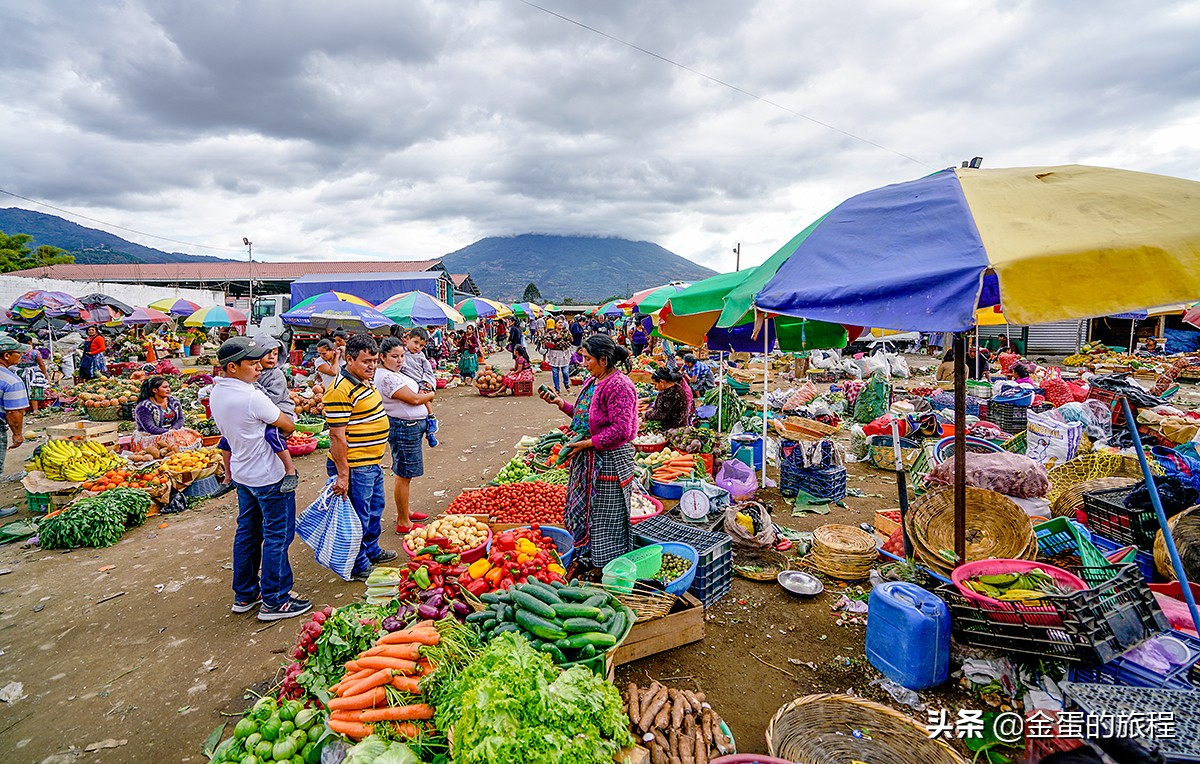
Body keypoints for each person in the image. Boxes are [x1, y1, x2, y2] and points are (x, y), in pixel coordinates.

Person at [208, 336, 309, 620]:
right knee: (278, 535)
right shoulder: (251, 396)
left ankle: (245, 595)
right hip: (269, 476)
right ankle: (276, 600)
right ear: (232, 368)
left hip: (243, 474)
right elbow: (287, 423)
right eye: (251, 364)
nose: (258, 368)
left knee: (248, 533)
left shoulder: (218, 393)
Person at [538, 334, 637, 571]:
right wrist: (560, 403)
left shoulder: (619, 385)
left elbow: (621, 430)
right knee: (588, 513)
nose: (584, 363)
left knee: (605, 517)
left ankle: (608, 565)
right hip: (590, 459)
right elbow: (585, 418)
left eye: (588, 359)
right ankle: (588, 557)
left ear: (604, 360)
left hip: (609, 461)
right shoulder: (594, 381)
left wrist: (587, 444)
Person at [324, 334, 396, 582]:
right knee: (357, 516)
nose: (372, 366)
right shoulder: (338, 390)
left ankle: (372, 550)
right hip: (355, 465)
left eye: (375, 361)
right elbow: (336, 436)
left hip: (372, 462)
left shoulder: (366, 381)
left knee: (375, 509)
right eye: (366, 361)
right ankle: (357, 562)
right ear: (349, 358)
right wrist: (343, 474)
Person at [375, 337, 436, 533]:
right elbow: (415, 398)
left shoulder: (396, 373)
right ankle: (403, 521)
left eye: (402, 356)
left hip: (410, 425)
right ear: (382, 357)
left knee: (406, 473)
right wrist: (429, 395)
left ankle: (406, 511)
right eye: (394, 356)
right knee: (403, 474)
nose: (400, 360)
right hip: (403, 427)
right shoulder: (386, 377)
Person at [251, 335, 299, 492]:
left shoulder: (276, 374)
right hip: (265, 412)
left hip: (281, 411)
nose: (272, 356)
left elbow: (272, 399)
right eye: (267, 352)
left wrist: (254, 385)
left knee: (272, 434)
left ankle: (290, 470)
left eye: (275, 353)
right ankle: (228, 477)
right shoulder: (257, 372)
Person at [400, 328, 439, 448]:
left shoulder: (421, 356)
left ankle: (431, 419)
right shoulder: (401, 354)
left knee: (425, 394)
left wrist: (429, 383)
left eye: (421, 345)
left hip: (420, 382)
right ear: (407, 339)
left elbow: (428, 371)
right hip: (406, 383)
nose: (417, 347)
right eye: (415, 342)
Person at [0, 336, 31, 477]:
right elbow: (14, 412)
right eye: (18, 352)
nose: (21, 355)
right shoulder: (11, 381)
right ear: (7, 355)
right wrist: (17, 434)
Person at [132, 376, 186, 450]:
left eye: (168, 387)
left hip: (172, 432)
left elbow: (180, 418)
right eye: (165, 387)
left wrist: (174, 429)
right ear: (155, 390)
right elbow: (150, 428)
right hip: (151, 436)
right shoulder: (144, 407)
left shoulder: (174, 401)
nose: (168, 389)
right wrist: (168, 432)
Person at [14, 335, 48, 412]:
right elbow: (41, 364)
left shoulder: (18, 352)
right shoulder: (35, 352)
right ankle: (35, 410)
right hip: (33, 374)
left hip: (20, 373)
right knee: (34, 390)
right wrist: (44, 374)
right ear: (29, 343)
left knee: (23, 391)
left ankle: (24, 410)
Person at [544, 329, 572, 395]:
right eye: (559, 322)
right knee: (555, 373)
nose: (560, 324)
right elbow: (546, 343)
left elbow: (571, 340)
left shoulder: (566, 332)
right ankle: (557, 388)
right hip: (554, 355)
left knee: (565, 372)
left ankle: (566, 385)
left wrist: (569, 335)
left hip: (564, 354)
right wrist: (555, 340)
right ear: (555, 324)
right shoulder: (551, 333)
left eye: (561, 323)